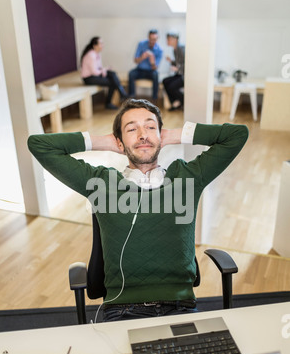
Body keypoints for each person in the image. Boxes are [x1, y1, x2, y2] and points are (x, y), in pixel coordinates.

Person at [28, 99, 249, 322]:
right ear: (120, 142)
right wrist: (102, 142)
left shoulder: (188, 177)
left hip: (181, 307)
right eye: (132, 129)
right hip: (122, 310)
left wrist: (175, 135)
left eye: (151, 127)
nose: (143, 134)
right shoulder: (100, 183)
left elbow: (237, 135)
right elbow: (39, 145)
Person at [81, 37, 128, 110]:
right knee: (112, 81)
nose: (103, 45)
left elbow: (99, 67)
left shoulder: (97, 54)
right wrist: (104, 70)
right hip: (89, 78)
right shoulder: (91, 55)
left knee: (112, 73)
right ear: (95, 45)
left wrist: (105, 69)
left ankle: (122, 94)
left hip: (95, 75)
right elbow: (94, 72)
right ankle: (117, 97)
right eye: (101, 43)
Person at [128, 30, 163, 101]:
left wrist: (152, 62)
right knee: (131, 74)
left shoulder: (160, 50)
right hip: (139, 70)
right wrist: (142, 57)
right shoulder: (141, 44)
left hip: (150, 71)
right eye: (151, 39)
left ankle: (154, 98)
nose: (153, 41)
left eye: (155, 39)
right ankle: (132, 98)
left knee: (156, 75)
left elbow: (155, 68)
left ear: (157, 38)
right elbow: (135, 61)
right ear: (148, 38)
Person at [163, 33, 185, 111]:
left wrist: (177, 69)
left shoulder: (181, 49)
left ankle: (183, 102)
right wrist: (171, 61)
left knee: (171, 86)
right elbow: (178, 63)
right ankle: (175, 102)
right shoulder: (175, 49)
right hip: (179, 74)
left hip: (184, 76)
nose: (167, 41)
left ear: (174, 39)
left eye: (168, 39)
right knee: (165, 81)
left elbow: (187, 64)